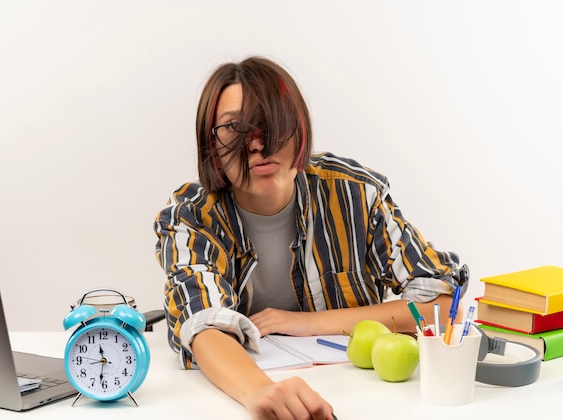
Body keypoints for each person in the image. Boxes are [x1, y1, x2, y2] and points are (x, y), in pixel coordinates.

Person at [154, 56, 468, 420]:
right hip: (241, 396)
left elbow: (444, 305)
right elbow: (202, 325)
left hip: (371, 395)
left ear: (299, 126)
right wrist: (260, 393)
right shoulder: (191, 215)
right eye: (232, 128)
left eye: (269, 122)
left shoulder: (355, 193)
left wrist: (303, 322)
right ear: (211, 146)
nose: (256, 143)